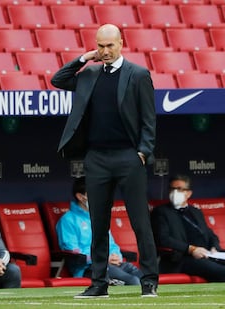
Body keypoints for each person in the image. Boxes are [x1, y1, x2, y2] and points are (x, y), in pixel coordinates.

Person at [51, 23, 158, 298]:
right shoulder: (90, 73)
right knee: (99, 223)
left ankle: (149, 282)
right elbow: (58, 79)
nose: (105, 51)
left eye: (110, 45)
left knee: (140, 222)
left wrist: (142, 153)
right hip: (97, 158)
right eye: (100, 45)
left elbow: (149, 120)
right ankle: (99, 283)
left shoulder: (138, 74)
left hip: (128, 156)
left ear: (122, 43)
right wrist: (84, 58)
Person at [150, 174, 225, 282]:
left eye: (180, 189)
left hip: (206, 255)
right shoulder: (161, 212)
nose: (175, 192)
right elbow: (163, 239)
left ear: (189, 193)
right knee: (224, 273)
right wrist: (191, 249)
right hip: (182, 259)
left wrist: (214, 247)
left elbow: (210, 234)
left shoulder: (195, 211)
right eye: (172, 189)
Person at [56, 177, 143, 286]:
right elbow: (74, 252)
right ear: (80, 197)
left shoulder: (100, 218)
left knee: (145, 278)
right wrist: (103, 259)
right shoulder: (67, 220)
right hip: (88, 268)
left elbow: (111, 244)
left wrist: (116, 256)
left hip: (112, 264)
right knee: (132, 281)